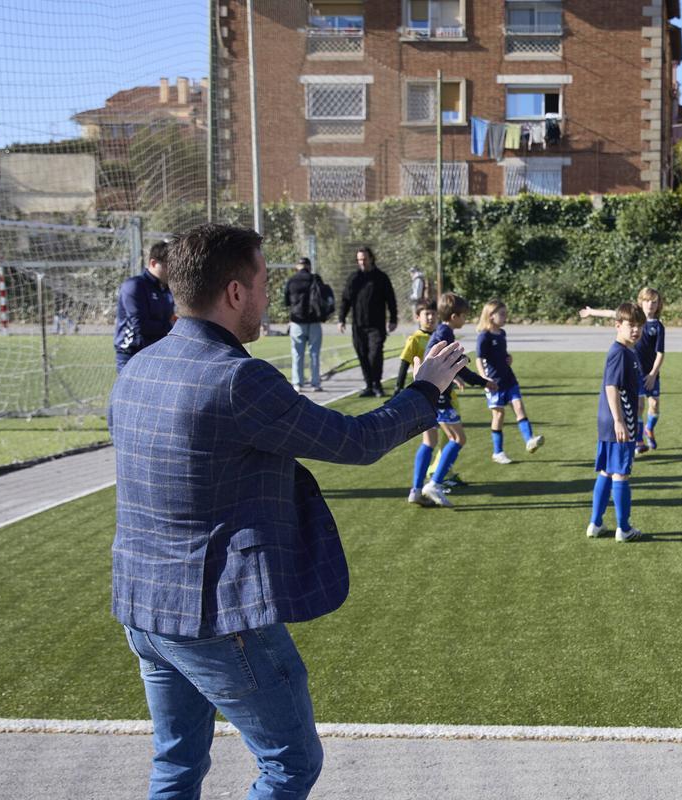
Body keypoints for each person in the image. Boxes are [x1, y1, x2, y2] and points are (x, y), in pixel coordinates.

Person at [108, 223, 466, 798]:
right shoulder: (238, 378)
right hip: (212, 615)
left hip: (140, 606)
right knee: (290, 764)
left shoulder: (136, 369)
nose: (268, 297)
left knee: (175, 764)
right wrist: (425, 390)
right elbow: (354, 442)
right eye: (262, 284)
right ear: (234, 293)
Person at [413, 292, 497, 508]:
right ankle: (435, 484)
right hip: (437, 395)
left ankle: (416, 490)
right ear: (454, 316)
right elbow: (459, 366)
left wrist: (457, 372)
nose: (465, 319)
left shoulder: (440, 333)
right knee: (458, 438)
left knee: (429, 442)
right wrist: (484, 382)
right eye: (464, 316)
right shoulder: (445, 334)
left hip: (424, 391)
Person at [586, 302, 646, 542]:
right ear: (618, 325)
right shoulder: (619, 353)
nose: (636, 330)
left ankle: (596, 523)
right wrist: (620, 421)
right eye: (631, 325)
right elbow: (611, 387)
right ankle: (624, 528)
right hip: (618, 422)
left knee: (606, 471)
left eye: (639, 325)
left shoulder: (626, 351)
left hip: (608, 421)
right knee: (621, 473)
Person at [580, 287, 666, 454]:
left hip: (651, 373)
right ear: (641, 301)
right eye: (647, 301)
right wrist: (592, 312)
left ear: (658, 304)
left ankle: (649, 428)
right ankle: (639, 441)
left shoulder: (658, 326)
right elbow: (612, 313)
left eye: (654, 302)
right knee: (639, 406)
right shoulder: (631, 315)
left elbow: (660, 353)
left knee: (654, 405)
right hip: (636, 372)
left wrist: (653, 374)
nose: (650, 304)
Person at [475, 299, 544, 465]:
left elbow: (502, 354)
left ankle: (529, 440)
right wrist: (484, 379)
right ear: (491, 316)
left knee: (519, 407)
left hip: (509, 379)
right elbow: (479, 359)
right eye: (502, 314)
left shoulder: (502, 333)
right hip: (494, 383)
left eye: (506, 314)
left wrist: (508, 358)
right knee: (499, 415)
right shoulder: (484, 336)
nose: (505, 317)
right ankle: (498, 452)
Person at [338, 246, 397, 397]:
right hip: (358, 325)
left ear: (371, 259)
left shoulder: (381, 277)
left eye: (364, 259)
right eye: (359, 260)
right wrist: (341, 319)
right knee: (362, 354)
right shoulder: (354, 278)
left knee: (375, 354)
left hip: (376, 326)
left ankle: (377, 384)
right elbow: (345, 300)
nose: (362, 262)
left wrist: (393, 319)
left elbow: (391, 299)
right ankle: (368, 385)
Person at [114, 239, 175, 373]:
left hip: (156, 353)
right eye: (167, 265)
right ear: (153, 263)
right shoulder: (135, 286)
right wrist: (173, 327)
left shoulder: (166, 289)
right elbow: (141, 326)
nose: (171, 271)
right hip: (131, 355)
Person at [283, 256, 325, 392]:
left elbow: (286, 302)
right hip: (314, 321)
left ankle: (297, 383)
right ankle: (315, 383)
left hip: (297, 321)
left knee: (297, 354)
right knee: (314, 354)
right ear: (309, 267)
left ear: (297, 267)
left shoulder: (292, 281)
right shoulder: (315, 279)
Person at [396, 299, 438, 395]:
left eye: (433, 314)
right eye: (427, 314)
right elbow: (404, 363)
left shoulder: (439, 336)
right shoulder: (415, 339)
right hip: (423, 386)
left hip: (441, 385)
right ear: (417, 317)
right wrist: (398, 388)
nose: (431, 317)